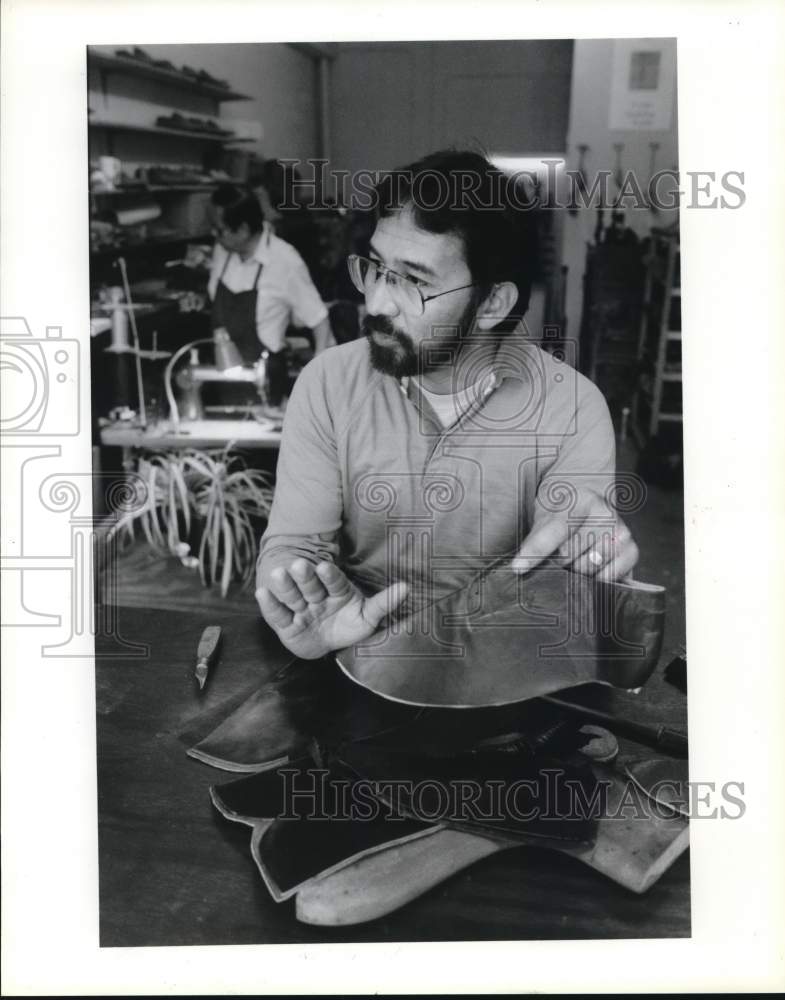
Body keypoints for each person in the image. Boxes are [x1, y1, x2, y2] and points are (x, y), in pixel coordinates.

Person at [256, 150, 639, 662]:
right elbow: (294, 546)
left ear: (492, 304)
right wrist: (301, 603)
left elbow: (568, 539)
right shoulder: (329, 383)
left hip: (499, 675)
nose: (376, 305)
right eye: (375, 268)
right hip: (353, 657)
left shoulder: (571, 408)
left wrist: (592, 560)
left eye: (414, 281)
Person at [207, 184, 334, 405]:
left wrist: (316, 385)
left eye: (220, 230)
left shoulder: (284, 261)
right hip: (223, 379)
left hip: (266, 385)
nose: (214, 235)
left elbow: (321, 322)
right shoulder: (223, 252)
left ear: (243, 230)